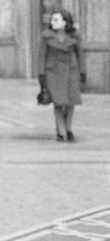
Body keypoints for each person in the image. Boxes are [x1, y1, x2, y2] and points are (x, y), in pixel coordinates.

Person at [39, 10, 85, 142]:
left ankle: (68, 128)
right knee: (58, 103)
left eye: (56, 20)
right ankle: (61, 131)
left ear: (65, 22)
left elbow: (80, 54)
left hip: (71, 71)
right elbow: (42, 56)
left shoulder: (74, 36)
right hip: (53, 72)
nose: (53, 22)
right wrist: (41, 75)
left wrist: (83, 71)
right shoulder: (46, 36)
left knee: (71, 103)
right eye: (52, 20)